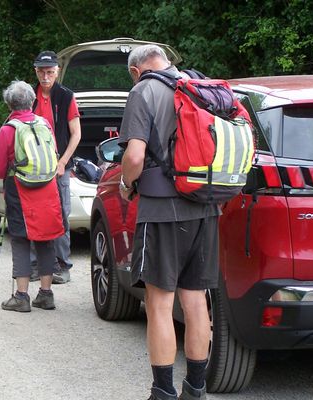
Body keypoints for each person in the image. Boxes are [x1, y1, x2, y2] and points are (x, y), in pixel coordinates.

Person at [118, 45, 219, 400]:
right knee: (196, 301)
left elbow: (134, 155)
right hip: (205, 207)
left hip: (162, 209)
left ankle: (163, 392)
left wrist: (126, 184)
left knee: (160, 303)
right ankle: (196, 388)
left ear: (135, 69)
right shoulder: (197, 85)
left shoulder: (142, 89)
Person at [0, 80, 64, 312]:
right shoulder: (45, 124)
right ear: (32, 101)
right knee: (46, 238)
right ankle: (46, 294)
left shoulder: (8, 130)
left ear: (9, 104)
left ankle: (22, 296)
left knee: (21, 240)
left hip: (19, 189)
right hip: (48, 188)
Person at [31, 50, 82, 284]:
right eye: (41, 71)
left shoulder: (66, 96)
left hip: (59, 167)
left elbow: (76, 134)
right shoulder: (28, 96)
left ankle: (62, 265)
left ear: (57, 72)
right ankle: (35, 265)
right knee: (34, 214)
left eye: (50, 72)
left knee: (61, 214)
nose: (45, 76)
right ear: (36, 71)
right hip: (32, 167)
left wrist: (63, 162)